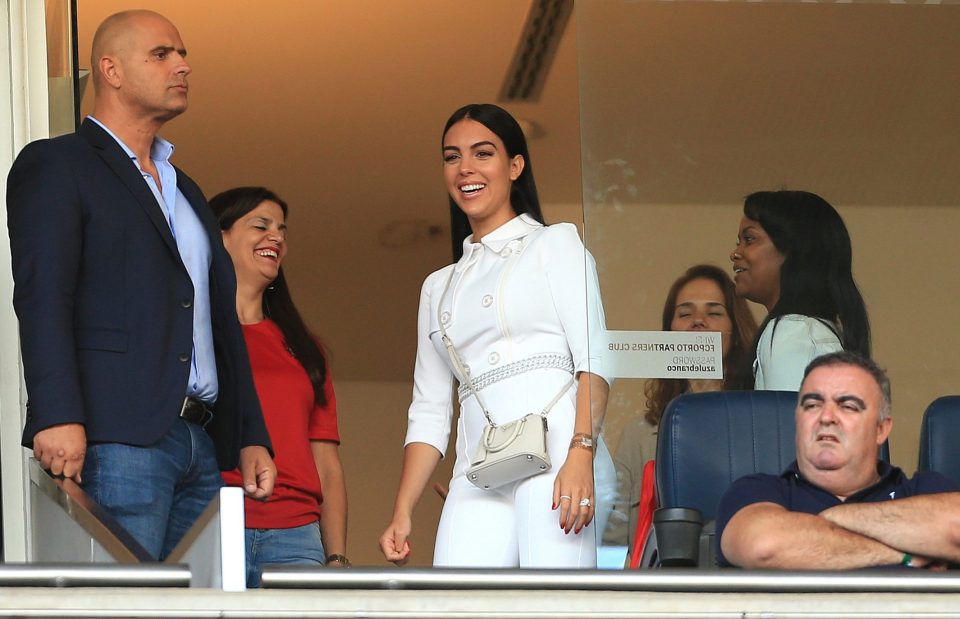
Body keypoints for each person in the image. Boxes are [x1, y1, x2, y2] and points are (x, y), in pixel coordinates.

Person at [5, 10, 275, 560]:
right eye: (162, 54)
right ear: (111, 69)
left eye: (182, 53)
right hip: (116, 437)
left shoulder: (187, 190)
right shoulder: (58, 164)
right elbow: (43, 295)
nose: (183, 65)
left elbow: (217, 317)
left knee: (197, 607)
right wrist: (57, 413)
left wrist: (250, 433)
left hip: (199, 442)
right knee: (123, 603)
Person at [379, 103, 611, 568]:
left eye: (482, 153)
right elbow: (428, 408)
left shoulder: (555, 243)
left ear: (515, 165)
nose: (465, 168)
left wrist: (581, 453)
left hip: (560, 451)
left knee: (554, 607)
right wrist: (403, 509)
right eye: (452, 157)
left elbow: (595, 361)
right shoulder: (438, 285)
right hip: (479, 467)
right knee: (456, 602)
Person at [211, 187, 348, 586]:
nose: (277, 237)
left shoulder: (306, 349)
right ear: (220, 237)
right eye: (261, 225)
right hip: (212, 523)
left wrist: (336, 557)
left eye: (282, 230)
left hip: (297, 536)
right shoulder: (193, 340)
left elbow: (327, 465)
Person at [716, 351, 960, 569]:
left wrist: (837, 517)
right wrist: (903, 554)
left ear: (881, 430)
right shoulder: (756, 491)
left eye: (848, 406)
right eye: (812, 405)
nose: (827, 417)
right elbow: (763, 546)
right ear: (797, 421)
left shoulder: (923, 489)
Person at [603, 264, 757, 547]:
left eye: (714, 312)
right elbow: (615, 540)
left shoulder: (755, 424)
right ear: (669, 333)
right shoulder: (639, 434)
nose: (698, 322)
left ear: (735, 331)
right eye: (685, 313)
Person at [730, 190, 871, 391]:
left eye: (749, 239)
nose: (735, 253)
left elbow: (786, 422)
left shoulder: (793, 333)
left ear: (794, 250)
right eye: (739, 242)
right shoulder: (809, 331)